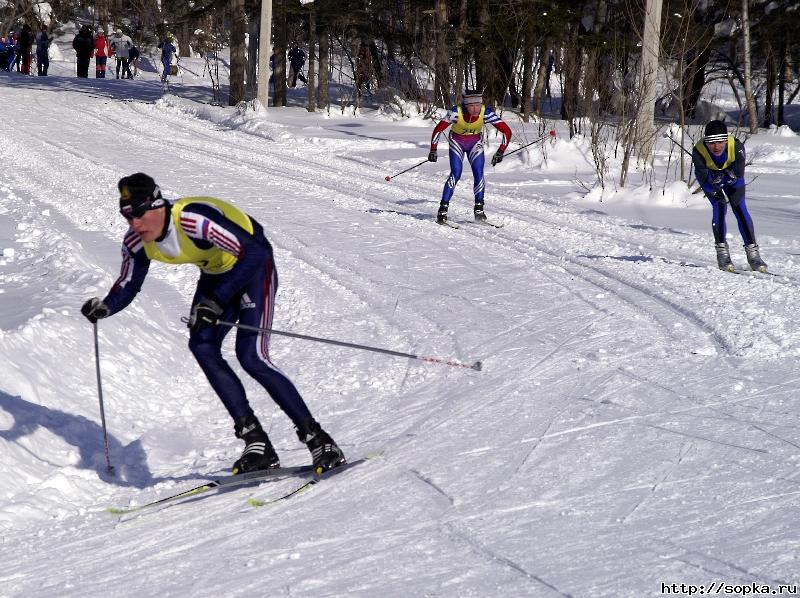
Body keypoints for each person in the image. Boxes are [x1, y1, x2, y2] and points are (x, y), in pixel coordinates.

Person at [80, 173, 347, 475]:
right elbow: (128, 283)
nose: (135, 224)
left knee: (252, 356)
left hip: (252, 269)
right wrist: (106, 307)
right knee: (202, 346)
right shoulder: (136, 242)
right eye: (127, 217)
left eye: (139, 214)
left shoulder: (193, 220)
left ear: (158, 205)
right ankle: (256, 442)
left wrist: (216, 300)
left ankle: (320, 441)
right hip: (216, 275)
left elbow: (256, 252)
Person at [692, 119, 767, 273]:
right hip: (710, 180)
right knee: (719, 207)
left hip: (732, 178)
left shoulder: (737, 146)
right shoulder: (699, 150)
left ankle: (754, 255)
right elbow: (702, 177)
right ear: (706, 142)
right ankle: (722, 254)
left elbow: (739, 172)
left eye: (721, 142)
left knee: (740, 209)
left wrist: (727, 176)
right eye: (711, 142)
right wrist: (713, 183)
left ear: (726, 140)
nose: (716, 146)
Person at [428, 90, 512, 225]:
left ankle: (479, 210)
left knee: (479, 173)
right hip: (457, 142)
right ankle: (442, 210)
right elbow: (438, 129)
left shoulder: (485, 112)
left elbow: (507, 131)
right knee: (456, 173)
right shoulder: (456, 112)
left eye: (478, 105)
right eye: (472, 106)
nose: (476, 109)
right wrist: (433, 149)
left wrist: (501, 151)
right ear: (466, 105)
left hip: (474, 143)